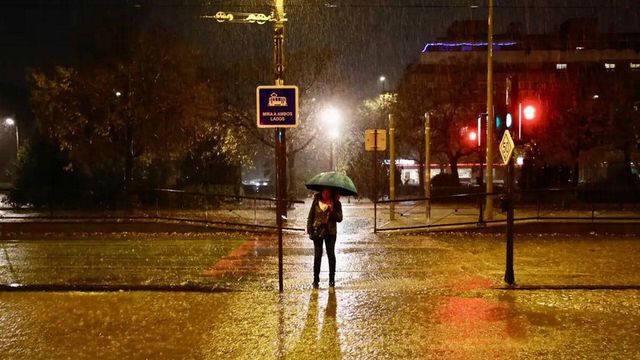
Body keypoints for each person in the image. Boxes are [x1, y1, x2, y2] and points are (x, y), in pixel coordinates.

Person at [306, 188, 343, 288]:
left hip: (330, 233)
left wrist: (332, 210)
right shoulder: (316, 201)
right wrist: (309, 229)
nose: (326, 194)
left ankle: (331, 280)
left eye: (328, 192)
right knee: (317, 255)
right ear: (321, 192)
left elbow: (340, 218)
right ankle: (315, 280)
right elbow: (311, 216)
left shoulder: (336, 203)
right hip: (317, 231)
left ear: (331, 192)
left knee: (331, 254)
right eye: (324, 191)